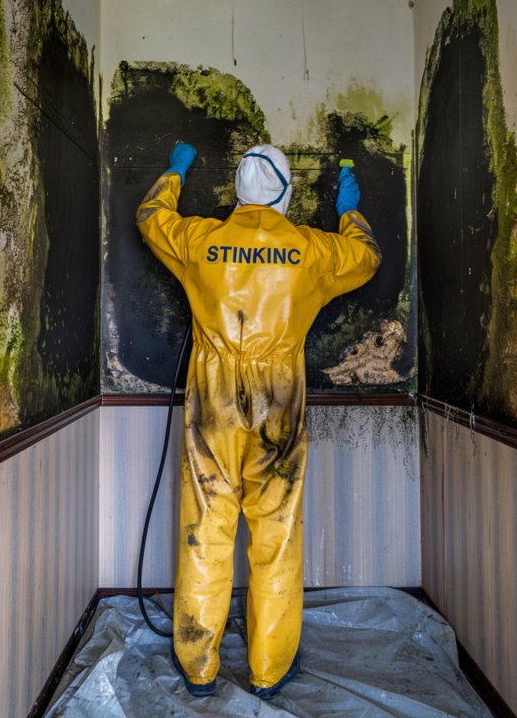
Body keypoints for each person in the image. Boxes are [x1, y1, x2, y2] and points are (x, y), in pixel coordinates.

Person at [136, 142, 381, 700]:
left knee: (206, 530)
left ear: (238, 194)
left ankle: (198, 667)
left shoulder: (202, 242)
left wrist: (174, 172)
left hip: (212, 401)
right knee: (276, 535)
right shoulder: (309, 250)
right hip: (279, 401)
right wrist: (348, 211)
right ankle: (269, 668)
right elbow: (365, 257)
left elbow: (151, 219)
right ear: (285, 193)